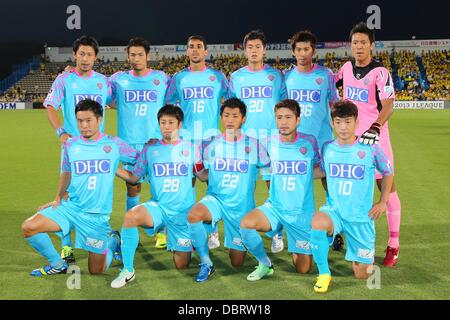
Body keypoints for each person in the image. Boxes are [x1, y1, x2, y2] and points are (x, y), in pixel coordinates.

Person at [22, 99, 137, 276]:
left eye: (88, 120)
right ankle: (57, 264)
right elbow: (67, 172)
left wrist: (117, 170)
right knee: (29, 227)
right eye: (80, 121)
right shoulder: (71, 144)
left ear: (99, 120)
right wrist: (58, 197)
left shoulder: (114, 144)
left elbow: (139, 160)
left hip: (96, 217)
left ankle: (112, 240)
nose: (84, 125)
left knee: (96, 271)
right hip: (71, 208)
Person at [110, 105, 204, 288]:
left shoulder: (191, 148)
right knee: (131, 217)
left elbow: (201, 176)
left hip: (182, 214)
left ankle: (187, 242)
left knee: (182, 265)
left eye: (171, 123)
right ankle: (128, 270)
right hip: (159, 208)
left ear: (180, 124)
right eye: (163, 123)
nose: (167, 127)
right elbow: (135, 177)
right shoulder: (150, 149)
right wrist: (113, 167)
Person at [335, 22, 401, 267]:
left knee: (388, 188)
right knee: (350, 189)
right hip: (350, 141)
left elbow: (388, 104)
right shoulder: (346, 68)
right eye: (355, 42)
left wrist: (375, 127)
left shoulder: (380, 72)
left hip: (376, 139)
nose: (359, 46)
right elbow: (334, 86)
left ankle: (394, 245)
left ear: (371, 45)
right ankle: (347, 235)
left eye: (363, 42)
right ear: (350, 45)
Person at [311, 100, 393, 293]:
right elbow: (322, 171)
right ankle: (324, 273)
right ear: (332, 124)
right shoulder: (327, 148)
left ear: (356, 122)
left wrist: (383, 201)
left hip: (360, 217)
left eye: (348, 122)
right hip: (335, 212)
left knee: (362, 273)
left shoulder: (370, 148)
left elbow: (388, 172)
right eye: (338, 122)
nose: (343, 127)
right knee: (317, 223)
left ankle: (342, 243)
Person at [43, 35, 111, 263]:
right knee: (67, 195)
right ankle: (66, 245)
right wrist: (61, 132)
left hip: (99, 150)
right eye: (81, 53)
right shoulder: (64, 80)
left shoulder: (104, 81)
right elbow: (50, 106)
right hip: (74, 148)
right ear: (75, 55)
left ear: (96, 57)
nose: (85, 58)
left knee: (97, 196)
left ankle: (107, 238)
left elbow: (119, 101)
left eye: (89, 54)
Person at [187, 97, 270, 282]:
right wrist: (197, 167)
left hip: (241, 207)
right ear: (221, 118)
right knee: (194, 215)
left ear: (244, 118)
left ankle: (247, 243)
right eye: (226, 115)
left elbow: (269, 171)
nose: (230, 120)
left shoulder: (254, 145)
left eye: (235, 115)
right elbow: (202, 175)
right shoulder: (210, 144)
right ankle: (206, 263)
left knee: (237, 262)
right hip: (216, 199)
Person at [240, 99, 322, 281]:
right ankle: (265, 263)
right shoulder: (269, 142)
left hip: (301, 214)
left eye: (288, 117)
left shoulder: (309, 142)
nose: (283, 122)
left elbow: (320, 169)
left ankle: (306, 240)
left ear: (298, 120)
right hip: (275, 208)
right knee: (246, 225)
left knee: (303, 269)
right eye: (279, 118)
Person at [165, 35, 231, 249]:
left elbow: (231, 102)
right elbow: (168, 106)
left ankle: (212, 232)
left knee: (213, 185)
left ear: (205, 52)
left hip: (211, 139)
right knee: (186, 187)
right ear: (187, 52)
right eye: (191, 47)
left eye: (199, 47)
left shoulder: (217, 76)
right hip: (185, 141)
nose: (194, 50)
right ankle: (188, 229)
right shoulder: (178, 78)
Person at [229, 30, 287, 253]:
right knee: (244, 189)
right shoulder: (236, 77)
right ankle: (245, 231)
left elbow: (283, 107)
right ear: (245, 51)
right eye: (249, 47)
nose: (253, 51)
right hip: (245, 142)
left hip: (272, 140)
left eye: (257, 47)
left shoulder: (276, 76)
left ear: (264, 49)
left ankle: (277, 233)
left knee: (274, 188)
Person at [109, 37, 170, 249]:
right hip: (128, 144)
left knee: (159, 189)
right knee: (133, 188)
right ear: (127, 56)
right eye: (132, 55)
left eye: (140, 54)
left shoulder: (161, 78)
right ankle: (131, 228)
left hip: (155, 143)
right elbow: (101, 96)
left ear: (148, 56)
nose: (136, 58)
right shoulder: (118, 80)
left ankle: (162, 232)